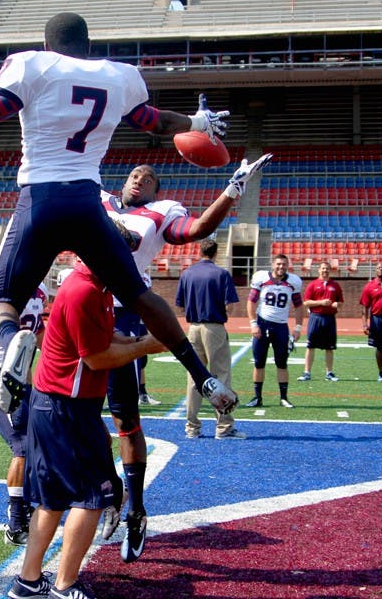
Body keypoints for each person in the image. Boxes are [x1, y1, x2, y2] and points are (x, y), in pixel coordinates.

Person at [0, 12, 238, 427]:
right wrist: (198, 122)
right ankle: (204, 377)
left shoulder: (32, 66)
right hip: (87, 202)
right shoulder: (118, 76)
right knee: (141, 296)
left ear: (47, 46)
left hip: (40, 199)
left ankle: (15, 343)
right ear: (88, 47)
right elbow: (156, 123)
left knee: (1, 302)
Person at [97, 158, 269, 561]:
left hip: (123, 310)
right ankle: (110, 489)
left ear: (158, 190)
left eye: (150, 177)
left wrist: (232, 191)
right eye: (135, 173)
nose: (140, 179)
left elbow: (196, 230)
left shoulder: (160, 213)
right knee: (74, 415)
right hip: (80, 305)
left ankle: (136, 509)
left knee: (124, 419)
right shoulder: (97, 198)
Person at [9, 258, 167, 599]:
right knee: (93, 496)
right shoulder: (85, 290)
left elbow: (106, 336)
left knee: (52, 500)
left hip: (60, 405)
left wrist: (138, 340)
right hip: (67, 407)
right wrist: (145, 346)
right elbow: (96, 357)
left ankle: (28, 581)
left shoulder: (95, 288)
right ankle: (65, 585)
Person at [0, 273, 49, 546]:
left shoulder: (39, 290)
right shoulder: (0, 284)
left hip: (24, 378)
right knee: (23, 446)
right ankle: (15, 522)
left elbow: (38, 331)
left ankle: (27, 501)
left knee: (39, 443)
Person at [175, 238, 243, 439]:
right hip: (214, 327)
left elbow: (180, 304)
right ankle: (224, 427)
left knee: (194, 377)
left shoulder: (187, 273)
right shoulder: (221, 274)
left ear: (200, 251)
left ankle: (192, 427)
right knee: (220, 375)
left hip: (193, 327)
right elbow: (230, 305)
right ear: (216, 253)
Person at [245, 254, 304, 409]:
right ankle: (258, 398)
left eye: (284, 264)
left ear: (288, 265)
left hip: (280, 327)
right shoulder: (261, 278)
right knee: (259, 363)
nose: (281, 267)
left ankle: (283, 398)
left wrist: (298, 327)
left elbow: (299, 306)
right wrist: (253, 324)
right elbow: (251, 302)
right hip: (262, 324)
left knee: (282, 363)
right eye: (278, 264)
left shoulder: (293, 282)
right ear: (273, 264)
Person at [298, 261, 344, 382]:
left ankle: (329, 373)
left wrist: (336, 304)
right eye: (323, 268)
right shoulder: (313, 285)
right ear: (319, 270)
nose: (325, 271)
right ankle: (307, 373)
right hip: (315, 317)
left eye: (327, 269)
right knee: (311, 346)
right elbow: (306, 302)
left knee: (330, 347)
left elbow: (341, 303)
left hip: (329, 319)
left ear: (330, 270)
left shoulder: (335, 285)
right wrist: (320, 302)